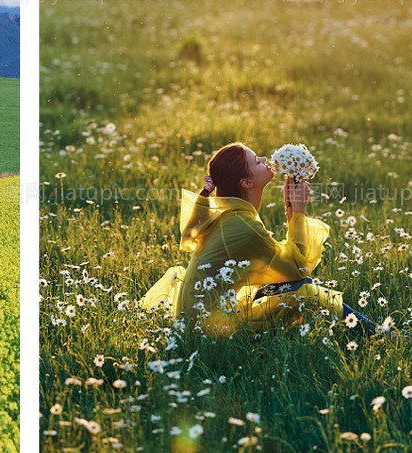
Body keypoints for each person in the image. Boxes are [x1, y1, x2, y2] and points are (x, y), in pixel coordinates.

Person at [141, 140, 342, 334]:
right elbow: (298, 268)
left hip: (202, 316)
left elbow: (285, 269)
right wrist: (298, 210)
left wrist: (290, 207)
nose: (264, 159)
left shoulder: (231, 215)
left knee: (297, 286)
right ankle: (362, 327)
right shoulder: (244, 226)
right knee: (307, 292)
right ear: (246, 182)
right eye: (256, 161)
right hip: (214, 327)